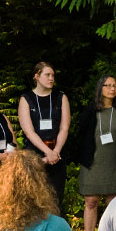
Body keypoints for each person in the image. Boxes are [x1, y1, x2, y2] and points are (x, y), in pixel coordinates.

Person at [75, 75, 116, 231]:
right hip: (93, 163)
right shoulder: (91, 111)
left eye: (115, 85)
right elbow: (81, 134)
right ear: (100, 88)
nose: (112, 89)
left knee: (114, 205)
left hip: (115, 164)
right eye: (108, 85)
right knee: (90, 202)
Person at [17, 62, 73, 210]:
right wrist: (47, 152)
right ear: (36, 76)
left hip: (57, 155)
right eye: (47, 75)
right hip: (34, 155)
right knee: (33, 198)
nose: (51, 78)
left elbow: (64, 127)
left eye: (53, 75)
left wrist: (55, 152)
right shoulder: (26, 98)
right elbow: (29, 131)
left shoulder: (61, 97)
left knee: (56, 198)